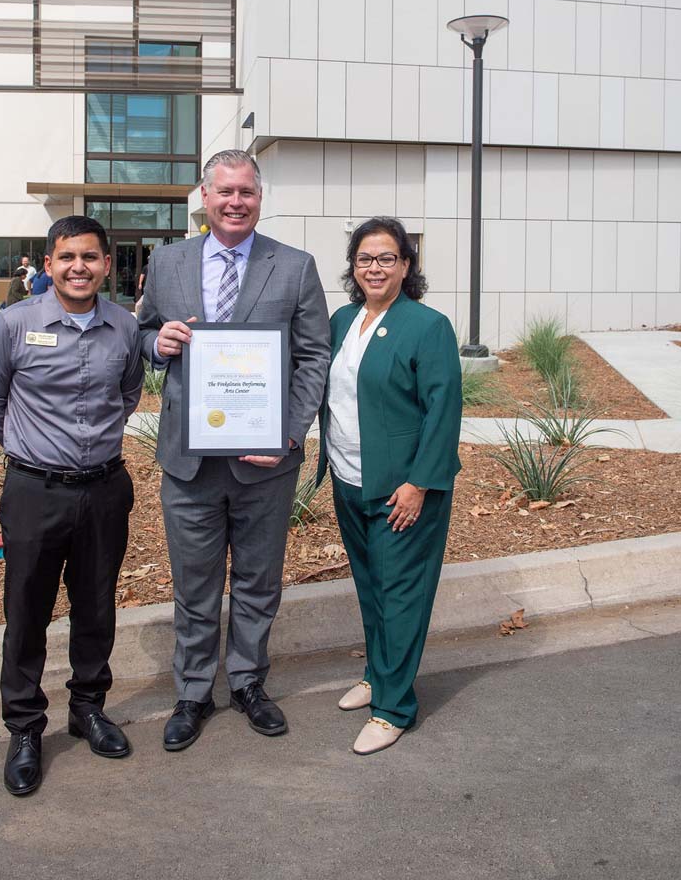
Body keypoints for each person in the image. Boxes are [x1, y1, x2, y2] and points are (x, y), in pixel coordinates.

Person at [138, 149, 330, 752]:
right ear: (205, 196)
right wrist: (157, 343)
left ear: (260, 197)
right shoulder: (166, 262)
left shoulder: (295, 266)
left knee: (257, 581)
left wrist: (289, 433)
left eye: (246, 191)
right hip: (189, 462)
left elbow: (314, 356)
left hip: (266, 464)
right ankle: (193, 692)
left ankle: (247, 682)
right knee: (194, 586)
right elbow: (140, 332)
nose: (236, 202)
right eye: (225, 191)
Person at [0, 215, 144, 798]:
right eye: (67, 256)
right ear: (48, 264)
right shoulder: (13, 325)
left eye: (90, 257)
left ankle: (88, 708)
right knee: (27, 610)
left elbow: (128, 394)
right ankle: (24, 728)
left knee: (96, 605)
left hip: (105, 489)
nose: (79, 267)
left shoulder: (124, 327)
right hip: (33, 492)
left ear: (106, 265)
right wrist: (36, 450)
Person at [316, 217, 462, 757]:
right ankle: (378, 675)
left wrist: (419, 483)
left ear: (405, 265)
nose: (374, 268)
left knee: (400, 595)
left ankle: (395, 707)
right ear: (353, 267)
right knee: (371, 586)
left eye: (386, 258)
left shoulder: (428, 326)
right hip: (349, 477)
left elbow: (443, 412)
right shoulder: (342, 319)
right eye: (364, 259)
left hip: (402, 489)